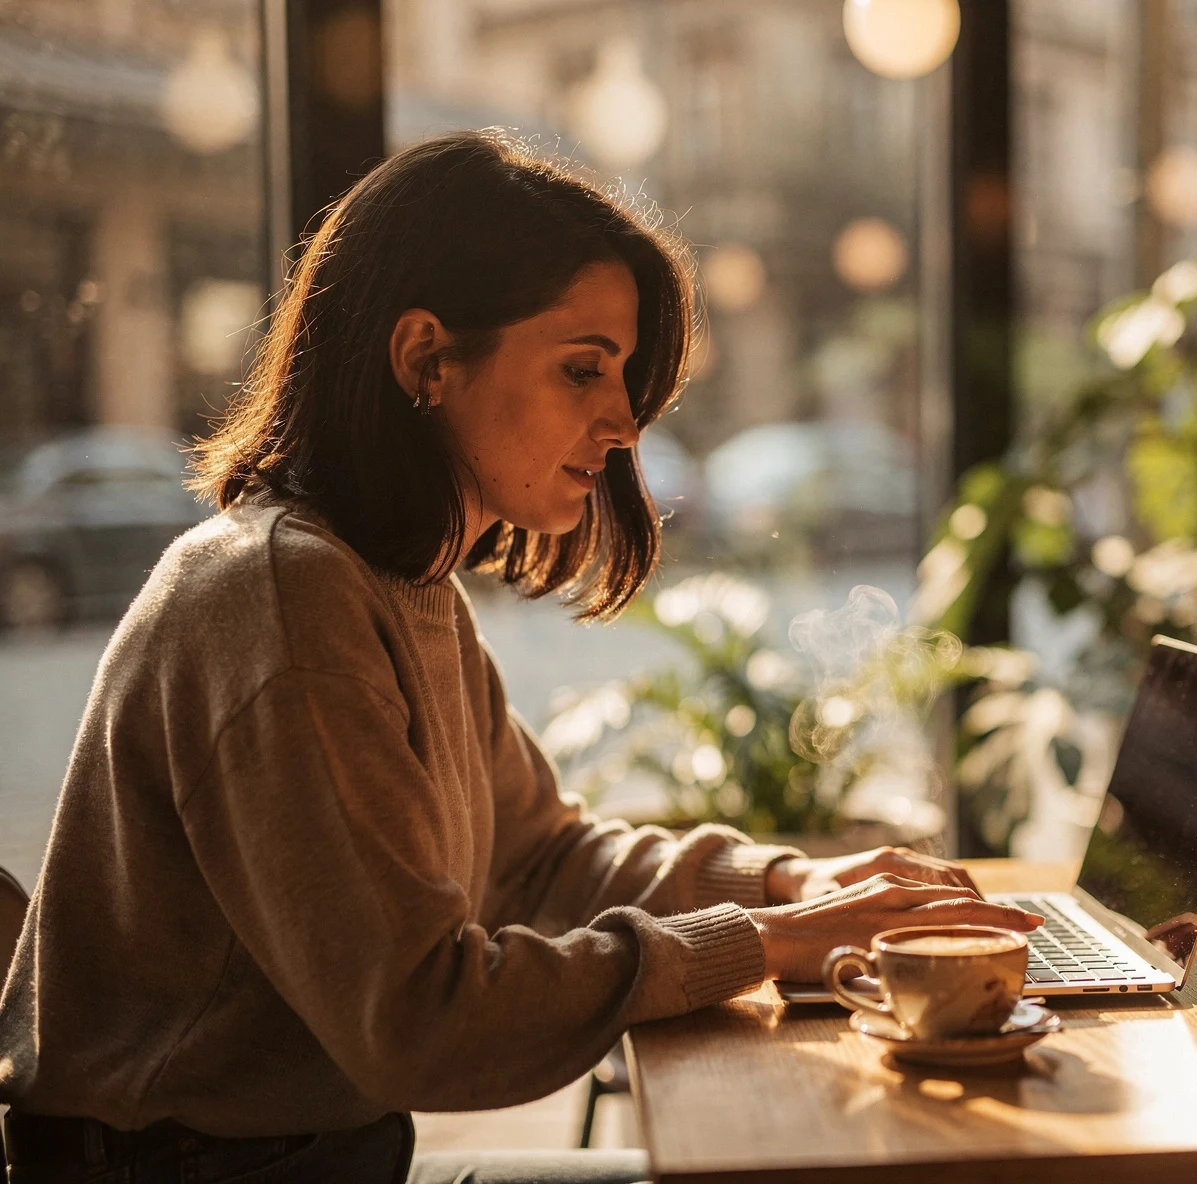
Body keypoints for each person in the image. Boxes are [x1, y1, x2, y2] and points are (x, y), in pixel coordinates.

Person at [0, 131, 1039, 1184]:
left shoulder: (399, 585)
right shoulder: (281, 594)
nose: (625, 421)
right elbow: (423, 1017)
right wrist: (764, 941)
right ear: (425, 360)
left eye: (624, 376)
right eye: (583, 367)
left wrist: (784, 883)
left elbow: (537, 858)